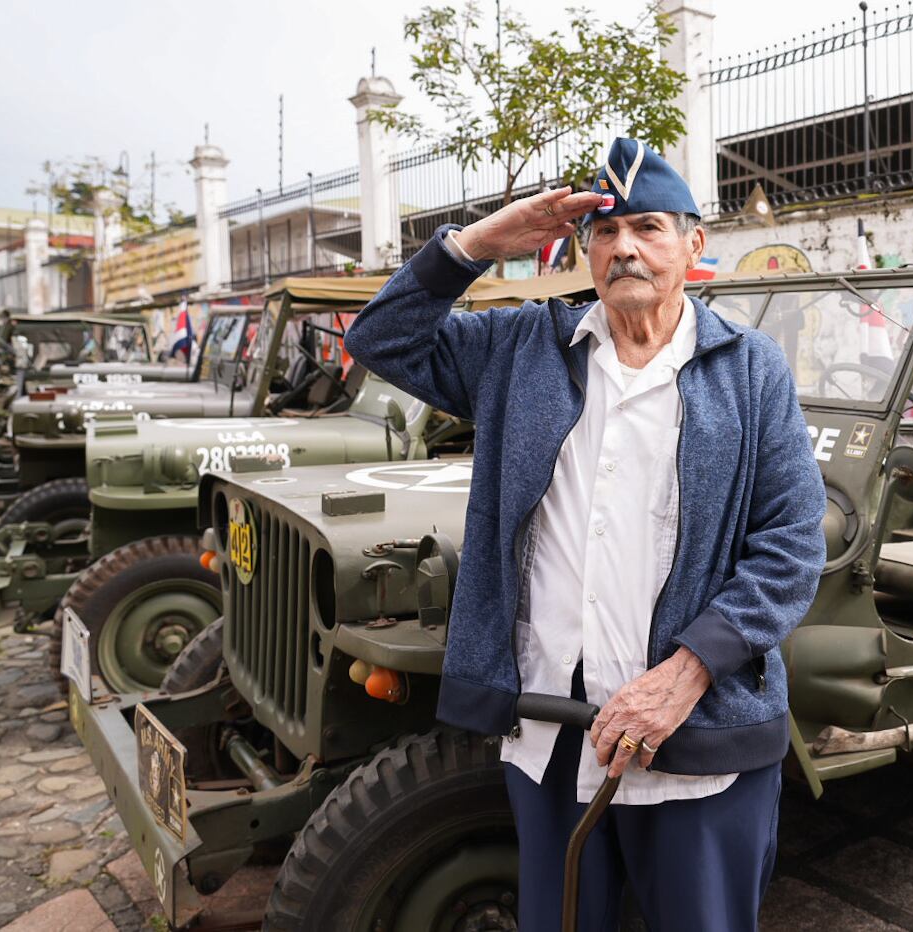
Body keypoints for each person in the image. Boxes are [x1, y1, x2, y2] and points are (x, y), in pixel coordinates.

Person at [345, 137, 827, 931]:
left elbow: (792, 543)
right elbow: (380, 339)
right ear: (584, 248)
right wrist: (478, 244)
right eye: (605, 232)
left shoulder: (751, 369)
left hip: (694, 732)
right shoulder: (521, 348)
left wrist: (688, 672)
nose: (625, 247)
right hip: (551, 726)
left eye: (647, 227)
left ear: (693, 243)